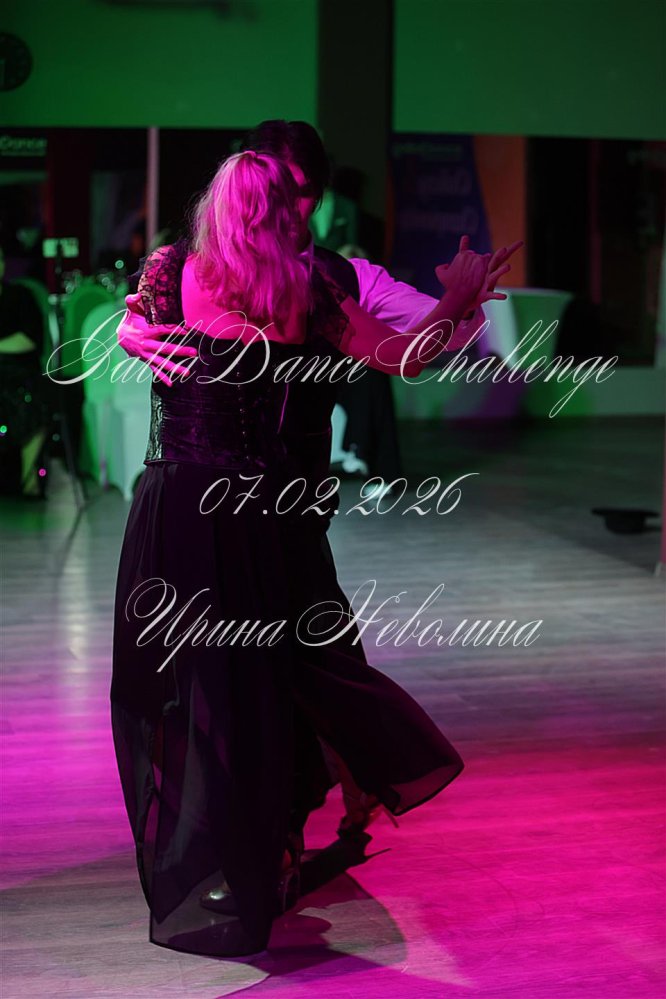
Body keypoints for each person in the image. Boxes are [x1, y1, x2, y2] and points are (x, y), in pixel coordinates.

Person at [110, 150, 505, 959]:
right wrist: (457, 302)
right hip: (248, 514)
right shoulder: (301, 288)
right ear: (279, 214)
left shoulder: (177, 268)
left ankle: (221, 861)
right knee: (251, 689)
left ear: (216, 207)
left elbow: (135, 328)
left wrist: (129, 331)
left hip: (180, 506)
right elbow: (401, 358)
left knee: (190, 692)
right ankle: (255, 855)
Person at [0, 243, 51, 499]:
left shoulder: (20, 296)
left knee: (29, 398)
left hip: (18, 371)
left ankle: (28, 478)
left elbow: (30, 339)